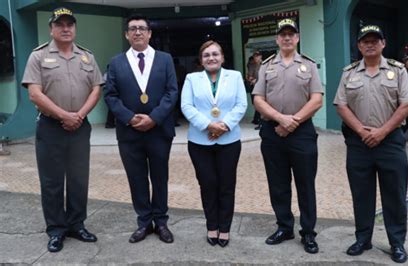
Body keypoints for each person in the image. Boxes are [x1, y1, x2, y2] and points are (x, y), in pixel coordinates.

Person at [21, 7, 103, 252]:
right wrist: (64, 115)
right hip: (50, 127)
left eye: (70, 24)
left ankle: (77, 225)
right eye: (60, 25)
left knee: (79, 179)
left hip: (80, 126)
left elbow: (96, 89)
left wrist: (79, 115)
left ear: (75, 28)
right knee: (52, 181)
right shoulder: (38, 56)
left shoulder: (87, 56)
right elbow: (34, 94)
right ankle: (56, 230)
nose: (66, 29)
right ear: (51, 29)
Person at [333, 25, 408, 263]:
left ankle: (397, 243)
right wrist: (361, 130)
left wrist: (382, 131)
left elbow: (407, 104)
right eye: (365, 41)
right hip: (359, 144)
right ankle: (363, 239)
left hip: (390, 142)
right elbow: (341, 105)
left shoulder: (398, 71)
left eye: (374, 40)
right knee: (361, 194)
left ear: (383, 43)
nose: (370, 44)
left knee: (395, 195)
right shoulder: (349, 73)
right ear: (359, 46)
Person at [104, 14, 178, 244]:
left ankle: (162, 222)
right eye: (133, 29)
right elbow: (110, 95)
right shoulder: (116, 62)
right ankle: (144, 222)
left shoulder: (165, 59)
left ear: (149, 33)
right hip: (129, 132)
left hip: (158, 131)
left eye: (142, 28)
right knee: (136, 178)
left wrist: (153, 118)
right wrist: (130, 118)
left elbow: (172, 92)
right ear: (127, 34)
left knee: (159, 177)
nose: (137, 32)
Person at [252, 18, 323, 254]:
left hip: (302, 132)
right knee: (278, 184)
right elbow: (258, 99)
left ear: (297, 38)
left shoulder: (310, 66)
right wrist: (280, 119)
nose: (287, 38)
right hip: (273, 132)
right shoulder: (267, 66)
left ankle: (308, 233)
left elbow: (317, 99)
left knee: (306, 184)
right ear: (277, 39)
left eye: (291, 34)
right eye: (282, 34)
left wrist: (292, 122)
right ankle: (284, 227)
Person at [181, 40, 247, 248]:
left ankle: (225, 228)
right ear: (201, 60)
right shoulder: (192, 78)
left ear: (222, 57)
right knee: (208, 184)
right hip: (200, 141)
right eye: (207, 55)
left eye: (215, 54)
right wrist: (209, 125)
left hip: (229, 140)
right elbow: (186, 106)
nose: (211, 58)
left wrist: (224, 126)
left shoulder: (235, 76)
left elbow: (241, 104)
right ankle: (212, 225)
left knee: (227, 185)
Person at [246, 51, 263, 129]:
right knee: (255, 104)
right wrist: (250, 79)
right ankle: (257, 120)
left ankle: (260, 122)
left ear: (260, 57)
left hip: (262, 87)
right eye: (255, 56)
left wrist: (257, 80)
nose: (256, 58)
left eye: (258, 56)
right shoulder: (252, 65)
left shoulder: (264, 65)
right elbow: (249, 75)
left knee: (260, 103)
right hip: (253, 87)